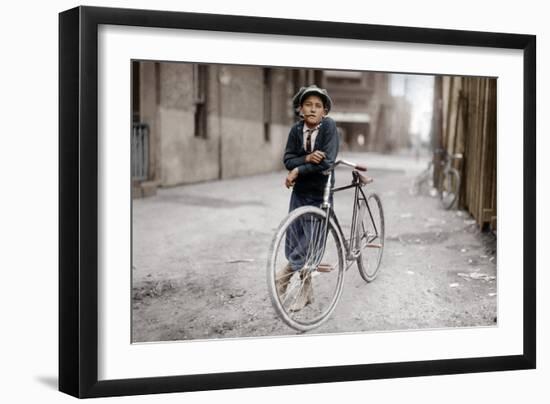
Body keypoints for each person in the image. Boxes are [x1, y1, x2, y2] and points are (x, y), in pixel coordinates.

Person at [276, 84, 339, 311]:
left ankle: (285, 274)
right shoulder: (296, 130)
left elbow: (327, 162)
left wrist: (298, 170)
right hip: (299, 193)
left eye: (318, 106)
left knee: (310, 242)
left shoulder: (329, 127)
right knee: (295, 237)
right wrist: (307, 159)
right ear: (300, 109)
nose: (312, 110)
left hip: (319, 193)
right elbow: (287, 159)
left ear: (325, 111)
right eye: (308, 105)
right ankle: (306, 290)